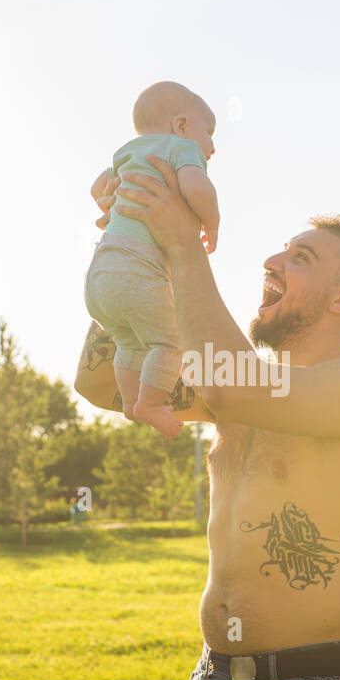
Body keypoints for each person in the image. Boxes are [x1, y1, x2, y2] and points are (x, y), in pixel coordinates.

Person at [74, 156, 340, 680]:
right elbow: (101, 383)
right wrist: (133, 250)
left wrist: (176, 241)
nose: (272, 262)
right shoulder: (241, 391)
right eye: (279, 252)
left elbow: (227, 381)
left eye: (300, 257)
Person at [84, 81, 220, 439]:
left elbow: (99, 185)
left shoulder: (128, 152)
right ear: (181, 126)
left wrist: (103, 195)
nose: (212, 147)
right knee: (168, 342)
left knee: (130, 343)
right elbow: (196, 187)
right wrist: (213, 223)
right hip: (137, 270)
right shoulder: (180, 148)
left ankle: (132, 402)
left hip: (100, 273)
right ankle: (149, 403)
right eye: (209, 134)